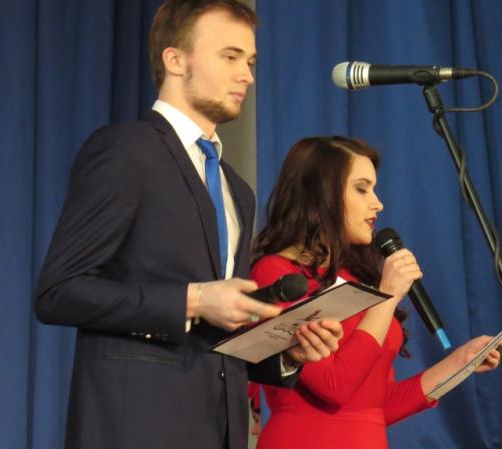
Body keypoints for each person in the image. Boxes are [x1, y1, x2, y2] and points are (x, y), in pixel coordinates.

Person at [33, 2, 342, 449]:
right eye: (230, 56)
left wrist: (287, 351)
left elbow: (220, 338)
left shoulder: (237, 189)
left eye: (251, 62)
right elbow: (58, 292)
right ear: (175, 60)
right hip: (136, 429)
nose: (247, 76)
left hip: (218, 429)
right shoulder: (127, 150)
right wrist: (194, 299)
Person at [249, 136, 502, 449]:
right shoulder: (276, 273)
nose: (377, 203)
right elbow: (335, 387)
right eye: (362, 189)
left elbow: (376, 406)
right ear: (321, 194)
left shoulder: (355, 278)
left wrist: (460, 361)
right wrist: (387, 296)